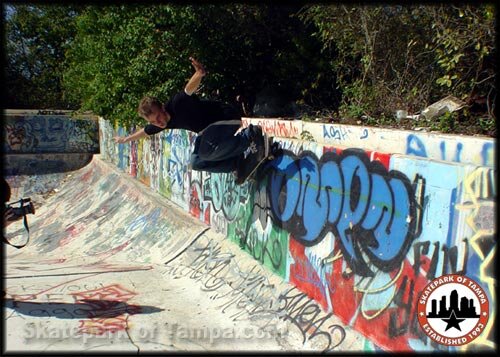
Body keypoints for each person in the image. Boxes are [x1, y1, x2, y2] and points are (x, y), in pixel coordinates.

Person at [114, 57, 266, 179]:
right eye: (154, 121)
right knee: (196, 163)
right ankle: (236, 163)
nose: (159, 123)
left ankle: (250, 136)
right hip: (208, 131)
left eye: (159, 117)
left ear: (162, 107)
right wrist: (126, 139)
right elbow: (145, 131)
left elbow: (188, 90)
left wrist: (199, 74)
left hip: (224, 117)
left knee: (206, 152)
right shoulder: (160, 123)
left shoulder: (177, 104)